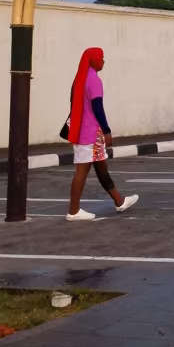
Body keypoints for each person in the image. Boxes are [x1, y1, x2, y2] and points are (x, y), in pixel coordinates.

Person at [66, 48, 139, 221]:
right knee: (82, 170)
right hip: (89, 133)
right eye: (101, 58)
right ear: (93, 61)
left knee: (101, 167)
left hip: (82, 130)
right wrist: (106, 130)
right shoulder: (94, 80)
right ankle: (73, 211)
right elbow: (97, 107)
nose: (103, 61)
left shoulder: (80, 79)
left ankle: (119, 200)